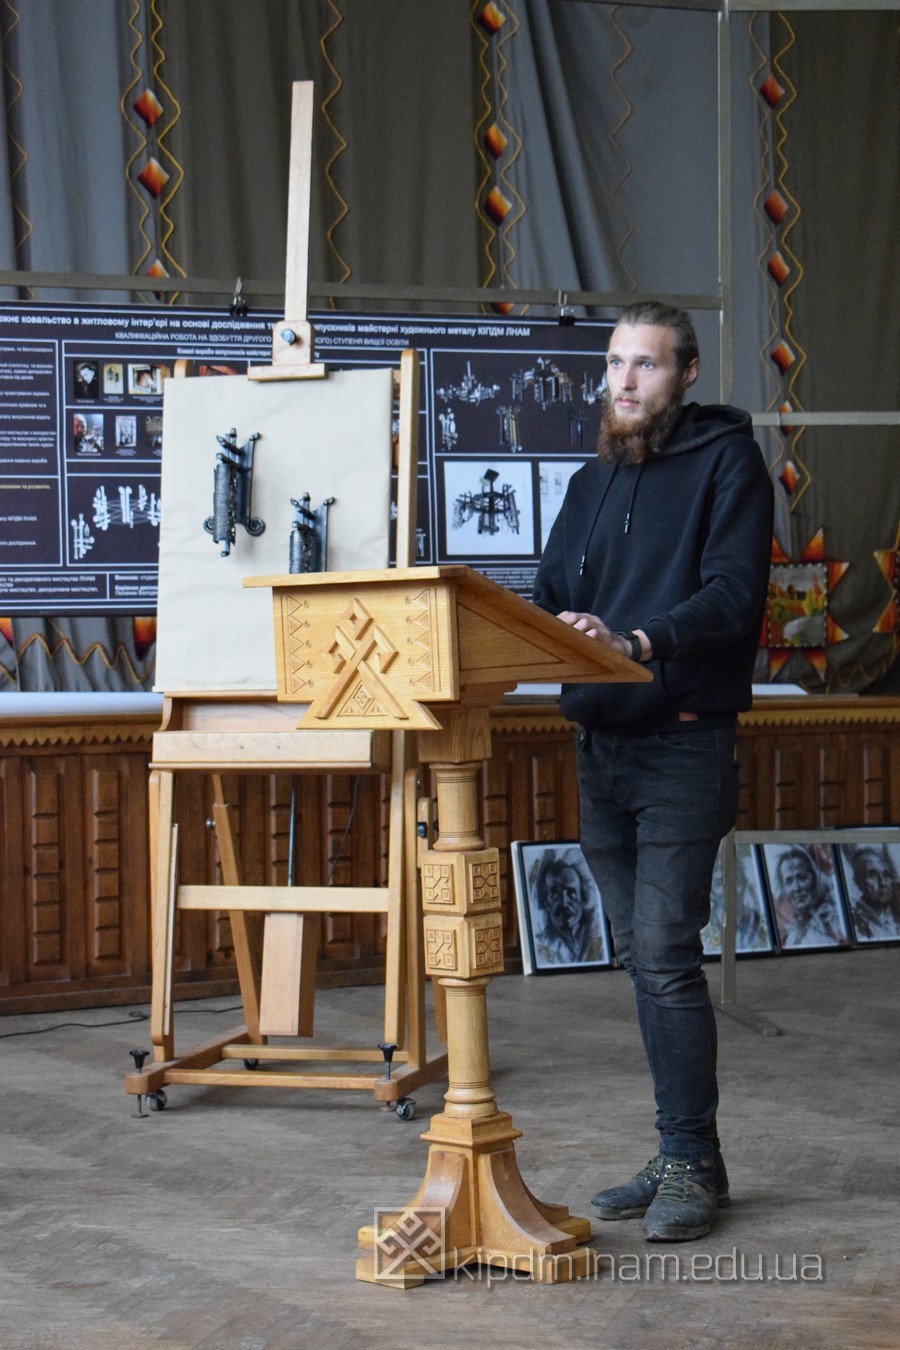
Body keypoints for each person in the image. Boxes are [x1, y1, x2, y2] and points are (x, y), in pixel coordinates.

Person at [532, 300, 773, 1242]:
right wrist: (564, 629)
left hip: (684, 741)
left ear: (689, 374)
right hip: (602, 747)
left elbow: (733, 597)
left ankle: (691, 1163)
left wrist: (633, 641)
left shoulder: (727, 462)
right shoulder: (592, 478)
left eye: (647, 364)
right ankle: (684, 1151)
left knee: (666, 955)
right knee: (642, 956)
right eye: (615, 363)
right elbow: (552, 593)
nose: (624, 382)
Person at [530, 849, 605, 967]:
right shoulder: (541, 947)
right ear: (546, 903)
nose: (564, 903)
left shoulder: (600, 937)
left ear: (582, 898)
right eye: (555, 894)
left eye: (571, 892)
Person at [773, 847, 845, 948]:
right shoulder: (792, 932)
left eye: (802, 878)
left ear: (814, 879)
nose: (796, 888)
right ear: (783, 889)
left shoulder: (833, 916)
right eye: (788, 882)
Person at [846, 844, 900, 940]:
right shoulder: (855, 920)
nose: (883, 883)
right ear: (858, 882)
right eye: (873, 876)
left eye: (886, 875)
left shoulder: (896, 914)